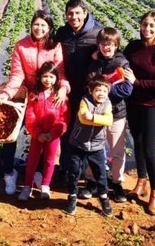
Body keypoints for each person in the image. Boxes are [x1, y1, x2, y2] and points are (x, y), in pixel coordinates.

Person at [0, 10, 70, 195]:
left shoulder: (55, 47)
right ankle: (9, 173)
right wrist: (7, 93)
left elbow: (60, 72)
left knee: (46, 132)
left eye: (43, 25)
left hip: (47, 97)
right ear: (31, 25)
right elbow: (17, 75)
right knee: (10, 134)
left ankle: (38, 174)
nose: (39, 28)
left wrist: (63, 88)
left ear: (50, 28)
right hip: (25, 95)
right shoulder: (21, 46)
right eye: (36, 24)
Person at [123, 11, 155, 215]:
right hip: (134, 102)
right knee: (137, 141)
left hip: (153, 103)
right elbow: (120, 62)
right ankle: (141, 181)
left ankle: (154, 191)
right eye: (145, 25)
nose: (147, 29)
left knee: (150, 148)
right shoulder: (134, 47)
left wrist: (137, 82)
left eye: (152, 26)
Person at [80, 27, 133, 203]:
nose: (106, 47)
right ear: (98, 45)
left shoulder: (121, 63)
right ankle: (91, 181)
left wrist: (103, 90)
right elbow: (89, 82)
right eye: (103, 44)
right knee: (93, 147)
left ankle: (116, 183)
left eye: (110, 44)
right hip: (96, 111)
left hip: (117, 113)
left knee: (117, 151)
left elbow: (127, 88)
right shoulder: (94, 61)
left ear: (116, 45)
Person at [54, 0, 101, 182]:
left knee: (88, 130)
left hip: (88, 93)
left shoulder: (97, 34)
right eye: (70, 14)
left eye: (77, 13)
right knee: (66, 130)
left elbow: (113, 53)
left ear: (85, 13)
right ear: (66, 16)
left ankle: (87, 174)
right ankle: (67, 168)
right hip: (66, 90)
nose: (73, 17)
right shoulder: (62, 33)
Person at [18, 61, 70, 201]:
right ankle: (27, 186)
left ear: (56, 79)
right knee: (32, 160)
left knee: (49, 160)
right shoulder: (34, 95)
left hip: (53, 136)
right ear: (40, 77)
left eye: (52, 77)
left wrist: (53, 133)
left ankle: (45, 185)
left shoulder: (60, 97)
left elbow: (63, 118)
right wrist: (37, 133)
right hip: (38, 135)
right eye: (45, 76)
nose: (48, 80)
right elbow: (30, 115)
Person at [65, 74, 114, 217]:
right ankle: (72, 196)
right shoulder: (85, 100)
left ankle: (103, 197)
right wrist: (100, 119)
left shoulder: (108, 103)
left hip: (97, 146)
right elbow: (82, 117)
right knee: (74, 171)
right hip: (78, 143)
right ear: (91, 91)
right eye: (98, 90)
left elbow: (109, 120)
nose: (101, 93)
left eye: (104, 91)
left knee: (100, 173)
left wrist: (92, 117)